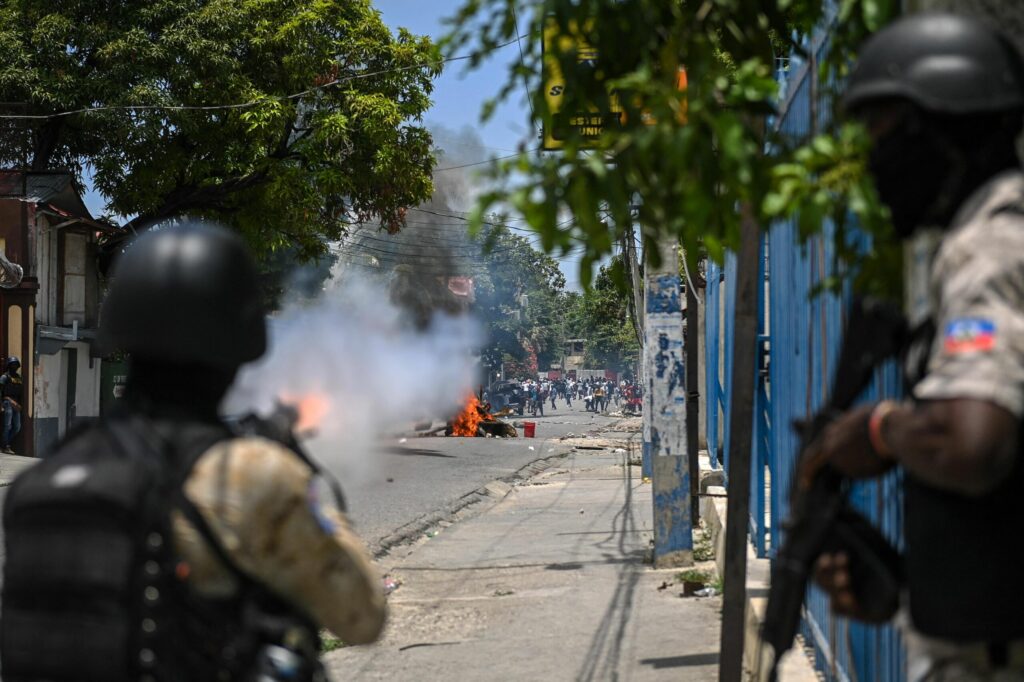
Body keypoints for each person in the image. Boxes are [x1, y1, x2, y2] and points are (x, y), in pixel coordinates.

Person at [0, 224, 385, 681]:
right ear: (238, 345)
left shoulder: (39, 484)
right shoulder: (249, 474)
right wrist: (291, 467)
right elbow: (363, 616)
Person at [806, 13, 1024, 681]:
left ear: (949, 133)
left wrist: (875, 431)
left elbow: (970, 442)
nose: (876, 157)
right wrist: (902, 590)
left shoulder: (989, 243)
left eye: (887, 133)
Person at [0, 356, 23, 454]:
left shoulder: (18, 377)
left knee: (17, 427)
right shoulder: (4, 377)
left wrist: (20, 404)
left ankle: (4, 444)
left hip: (16, 403)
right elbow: (0, 391)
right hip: (7, 402)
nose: (14, 366)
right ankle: (5, 446)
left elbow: (20, 392)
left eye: (16, 365)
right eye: (12, 364)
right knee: (7, 426)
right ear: (8, 365)